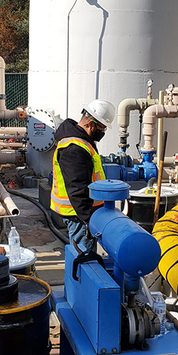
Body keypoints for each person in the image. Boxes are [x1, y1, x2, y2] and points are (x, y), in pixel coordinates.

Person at [50, 99, 115, 254]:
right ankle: (78, 278)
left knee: (83, 255)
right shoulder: (74, 148)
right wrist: (89, 219)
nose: (102, 133)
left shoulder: (81, 142)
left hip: (79, 213)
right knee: (84, 259)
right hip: (78, 215)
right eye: (102, 128)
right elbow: (77, 187)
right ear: (91, 124)